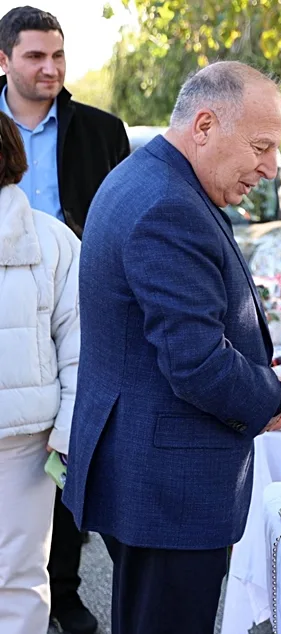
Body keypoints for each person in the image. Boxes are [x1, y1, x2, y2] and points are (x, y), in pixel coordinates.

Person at [63, 62, 281, 634]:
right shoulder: (167, 203)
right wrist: (272, 395)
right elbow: (196, 363)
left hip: (154, 474)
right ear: (206, 124)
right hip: (168, 484)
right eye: (261, 146)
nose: (269, 166)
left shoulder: (152, 179)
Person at [0, 7, 129, 633]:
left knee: (65, 454)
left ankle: (68, 589)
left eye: (58, 56)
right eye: (34, 56)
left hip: (74, 298)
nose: (50, 68)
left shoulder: (101, 131)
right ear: (5, 60)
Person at [0, 110, 80, 634]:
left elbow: (80, 343)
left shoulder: (51, 241)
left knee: (19, 578)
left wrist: (68, 430)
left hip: (24, 446)